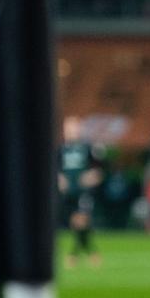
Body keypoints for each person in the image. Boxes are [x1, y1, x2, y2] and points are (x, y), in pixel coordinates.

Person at [59, 115, 103, 269]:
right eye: (69, 128)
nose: (72, 131)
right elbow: (56, 169)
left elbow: (98, 170)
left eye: (75, 127)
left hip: (83, 192)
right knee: (76, 224)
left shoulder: (87, 148)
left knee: (81, 221)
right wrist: (60, 179)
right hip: (68, 193)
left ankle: (75, 255)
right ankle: (90, 252)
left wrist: (92, 177)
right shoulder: (61, 149)